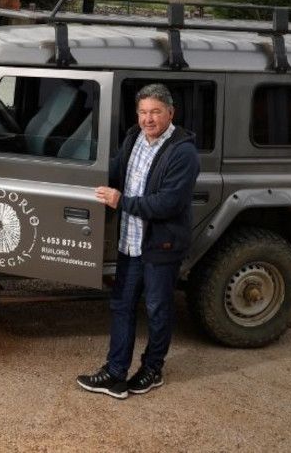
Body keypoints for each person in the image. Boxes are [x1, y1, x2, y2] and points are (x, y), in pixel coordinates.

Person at [77, 83, 200, 399]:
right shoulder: (134, 138)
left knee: (158, 309)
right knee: (121, 306)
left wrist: (121, 201)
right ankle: (115, 373)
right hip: (130, 243)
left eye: (155, 112)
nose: (149, 118)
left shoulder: (183, 152)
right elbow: (116, 171)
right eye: (143, 112)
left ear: (170, 113)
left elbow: (167, 204)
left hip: (162, 245)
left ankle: (152, 369)